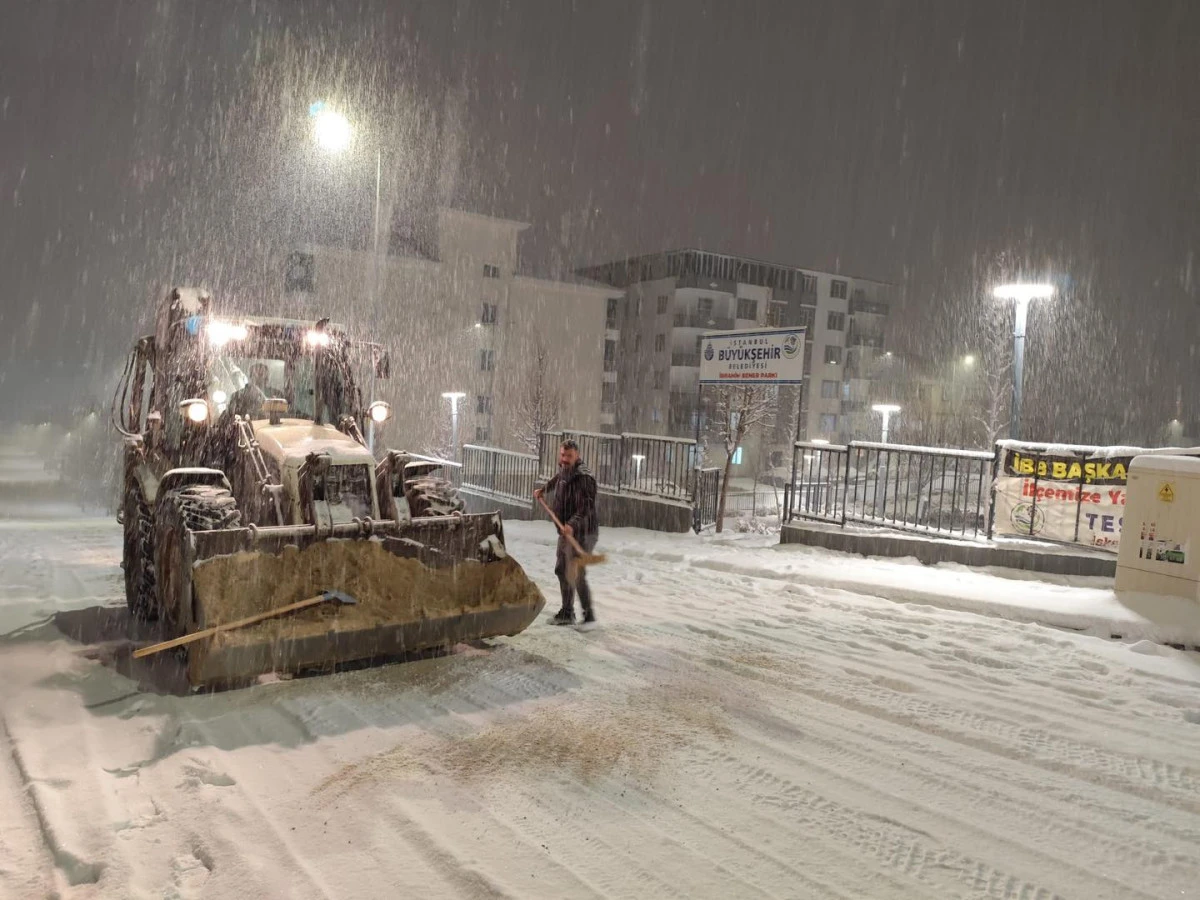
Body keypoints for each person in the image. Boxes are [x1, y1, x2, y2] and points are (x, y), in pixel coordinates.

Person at [535, 439, 599, 630]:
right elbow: (558, 478)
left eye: (569, 456)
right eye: (562, 455)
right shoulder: (565, 470)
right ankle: (566, 613)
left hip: (583, 532)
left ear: (577, 456)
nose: (564, 459)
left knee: (576, 573)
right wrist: (544, 490)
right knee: (562, 570)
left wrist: (571, 524)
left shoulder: (583, 478)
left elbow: (586, 507)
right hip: (567, 531)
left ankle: (589, 618)